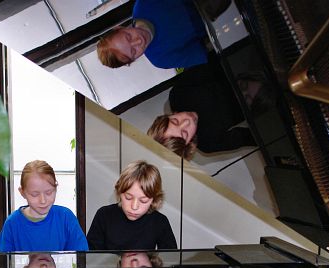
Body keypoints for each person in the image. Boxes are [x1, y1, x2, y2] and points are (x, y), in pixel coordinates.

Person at [147, 63, 263, 160]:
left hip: (243, 68)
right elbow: (255, 136)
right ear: (190, 144)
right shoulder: (208, 143)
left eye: (175, 121)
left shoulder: (178, 94)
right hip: (260, 100)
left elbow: (215, 63)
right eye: (185, 133)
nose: (187, 120)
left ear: (170, 115)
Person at [96, 0, 230, 69]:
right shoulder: (161, 59)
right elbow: (210, 47)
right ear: (133, 60)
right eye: (133, 51)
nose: (138, 41)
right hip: (224, 18)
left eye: (128, 37)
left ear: (120, 28)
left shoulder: (144, 4)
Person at [0, 160, 88, 252]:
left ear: (56, 188)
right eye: (35, 194)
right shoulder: (12, 223)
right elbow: (4, 259)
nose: (43, 201)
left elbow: (81, 256)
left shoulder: (65, 218)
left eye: (49, 192)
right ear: (22, 192)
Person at [87, 161, 177, 250]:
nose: (134, 207)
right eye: (128, 198)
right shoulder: (104, 215)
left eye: (143, 201)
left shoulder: (159, 221)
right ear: (119, 193)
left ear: (154, 200)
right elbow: (91, 255)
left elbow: (171, 257)